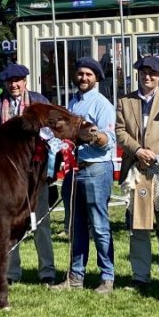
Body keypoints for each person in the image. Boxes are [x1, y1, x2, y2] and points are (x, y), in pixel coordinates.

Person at [0, 63, 56, 286]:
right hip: (7, 177)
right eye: (9, 81)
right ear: (4, 83)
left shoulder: (39, 102)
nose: (14, 85)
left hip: (36, 173)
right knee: (9, 223)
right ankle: (11, 272)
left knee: (41, 222)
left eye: (18, 80)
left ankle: (47, 271)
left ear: (25, 81)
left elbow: (53, 134)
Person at [116, 56, 159, 292]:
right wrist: (138, 151)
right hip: (137, 170)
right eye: (144, 72)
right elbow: (120, 131)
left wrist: (155, 153)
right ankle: (140, 276)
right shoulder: (125, 101)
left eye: (153, 73)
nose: (148, 77)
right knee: (139, 227)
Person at [51, 57, 116, 294]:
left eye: (89, 74)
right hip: (73, 170)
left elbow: (109, 142)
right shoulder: (72, 103)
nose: (83, 78)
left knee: (99, 227)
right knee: (75, 226)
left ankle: (107, 277)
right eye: (80, 74)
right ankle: (75, 277)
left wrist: (94, 137)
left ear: (96, 78)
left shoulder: (102, 105)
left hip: (96, 169)